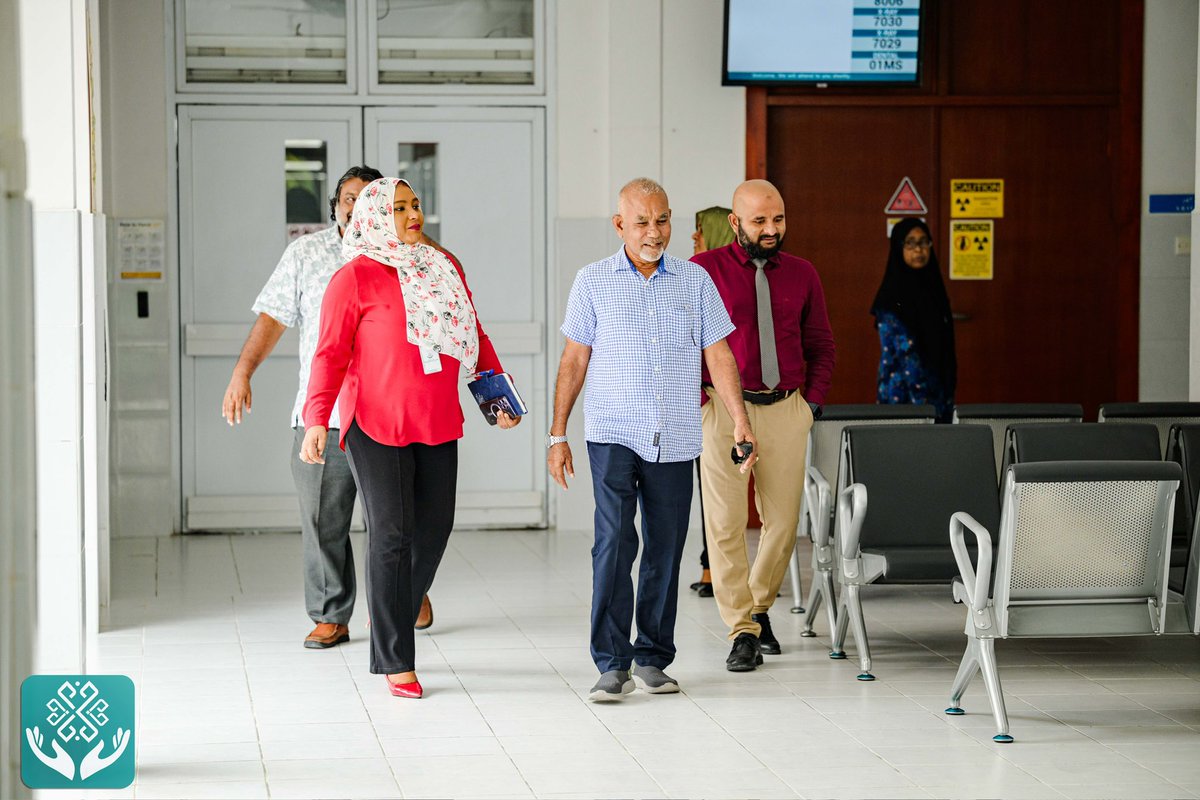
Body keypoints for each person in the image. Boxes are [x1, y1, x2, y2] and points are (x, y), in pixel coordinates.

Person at [299, 177, 519, 699]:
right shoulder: (352, 279)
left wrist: (497, 397)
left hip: (436, 418)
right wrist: (316, 420)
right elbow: (329, 354)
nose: (412, 213)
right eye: (398, 208)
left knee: (435, 529)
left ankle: (392, 605)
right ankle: (396, 657)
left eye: (415, 204)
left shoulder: (445, 267)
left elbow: (474, 334)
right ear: (374, 216)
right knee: (392, 533)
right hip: (374, 423)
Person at [547, 177, 758, 702]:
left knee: (666, 547)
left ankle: (652, 657)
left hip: (677, 435)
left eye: (662, 220)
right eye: (641, 221)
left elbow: (719, 356)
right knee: (614, 543)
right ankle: (611, 663)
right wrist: (557, 434)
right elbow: (574, 360)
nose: (653, 231)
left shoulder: (695, 282)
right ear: (620, 225)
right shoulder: (592, 281)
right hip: (613, 432)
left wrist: (740, 419)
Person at [221, 165, 431, 649]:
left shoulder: (414, 255)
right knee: (322, 518)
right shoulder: (307, 254)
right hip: (325, 414)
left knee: (398, 518)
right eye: (347, 198)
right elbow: (273, 318)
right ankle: (330, 612)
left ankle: (405, 594)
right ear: (335, 206)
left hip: (388, 414)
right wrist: (242, 372)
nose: (355, 206)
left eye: (366, 197)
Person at [692, 179, 835, 672]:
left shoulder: (802, 273)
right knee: (726, 525)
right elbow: (683, 344)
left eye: (778, 219)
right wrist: (701, 403)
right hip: (724, 412)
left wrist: (810, 405)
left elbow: (821, 343)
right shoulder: (701, 272)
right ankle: (742, 631)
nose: (771, 229)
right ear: (735, 223)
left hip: (786, 409)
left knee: (784, 524)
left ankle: (755, 608)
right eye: (759, 221)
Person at [689, 206, 737, 599]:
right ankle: (710, 567)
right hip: (702, 398)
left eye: (700, 231)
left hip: (729, 396)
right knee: (710, 487)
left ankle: (718, 572)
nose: (694, 238)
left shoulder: (728, 280)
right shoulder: (695, 273)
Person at [871, 217, 957, 423]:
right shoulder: (890, 299)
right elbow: (904, 356)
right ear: (898, 247)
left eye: (923, 242)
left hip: (937, 395)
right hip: (902, 399)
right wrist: (925, 408)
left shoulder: (935, 290)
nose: (918, 249)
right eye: (910, 243)